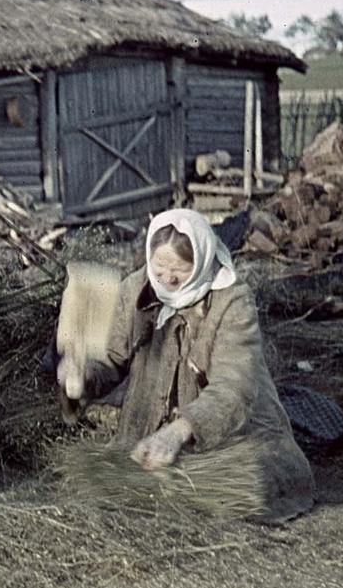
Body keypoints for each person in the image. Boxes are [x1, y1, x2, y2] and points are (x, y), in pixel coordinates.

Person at [62, 209, 315, 523]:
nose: (167, 279)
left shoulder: (232, 302)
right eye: (160, 266)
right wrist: (82, 375)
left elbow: (233, 388)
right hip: (148, 434)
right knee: (114, 483)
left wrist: (179, 432)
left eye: (180, 270)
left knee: (253, 488)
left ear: (202, 261)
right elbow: (112, 360)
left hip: (225, 437)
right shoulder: (135, 289)